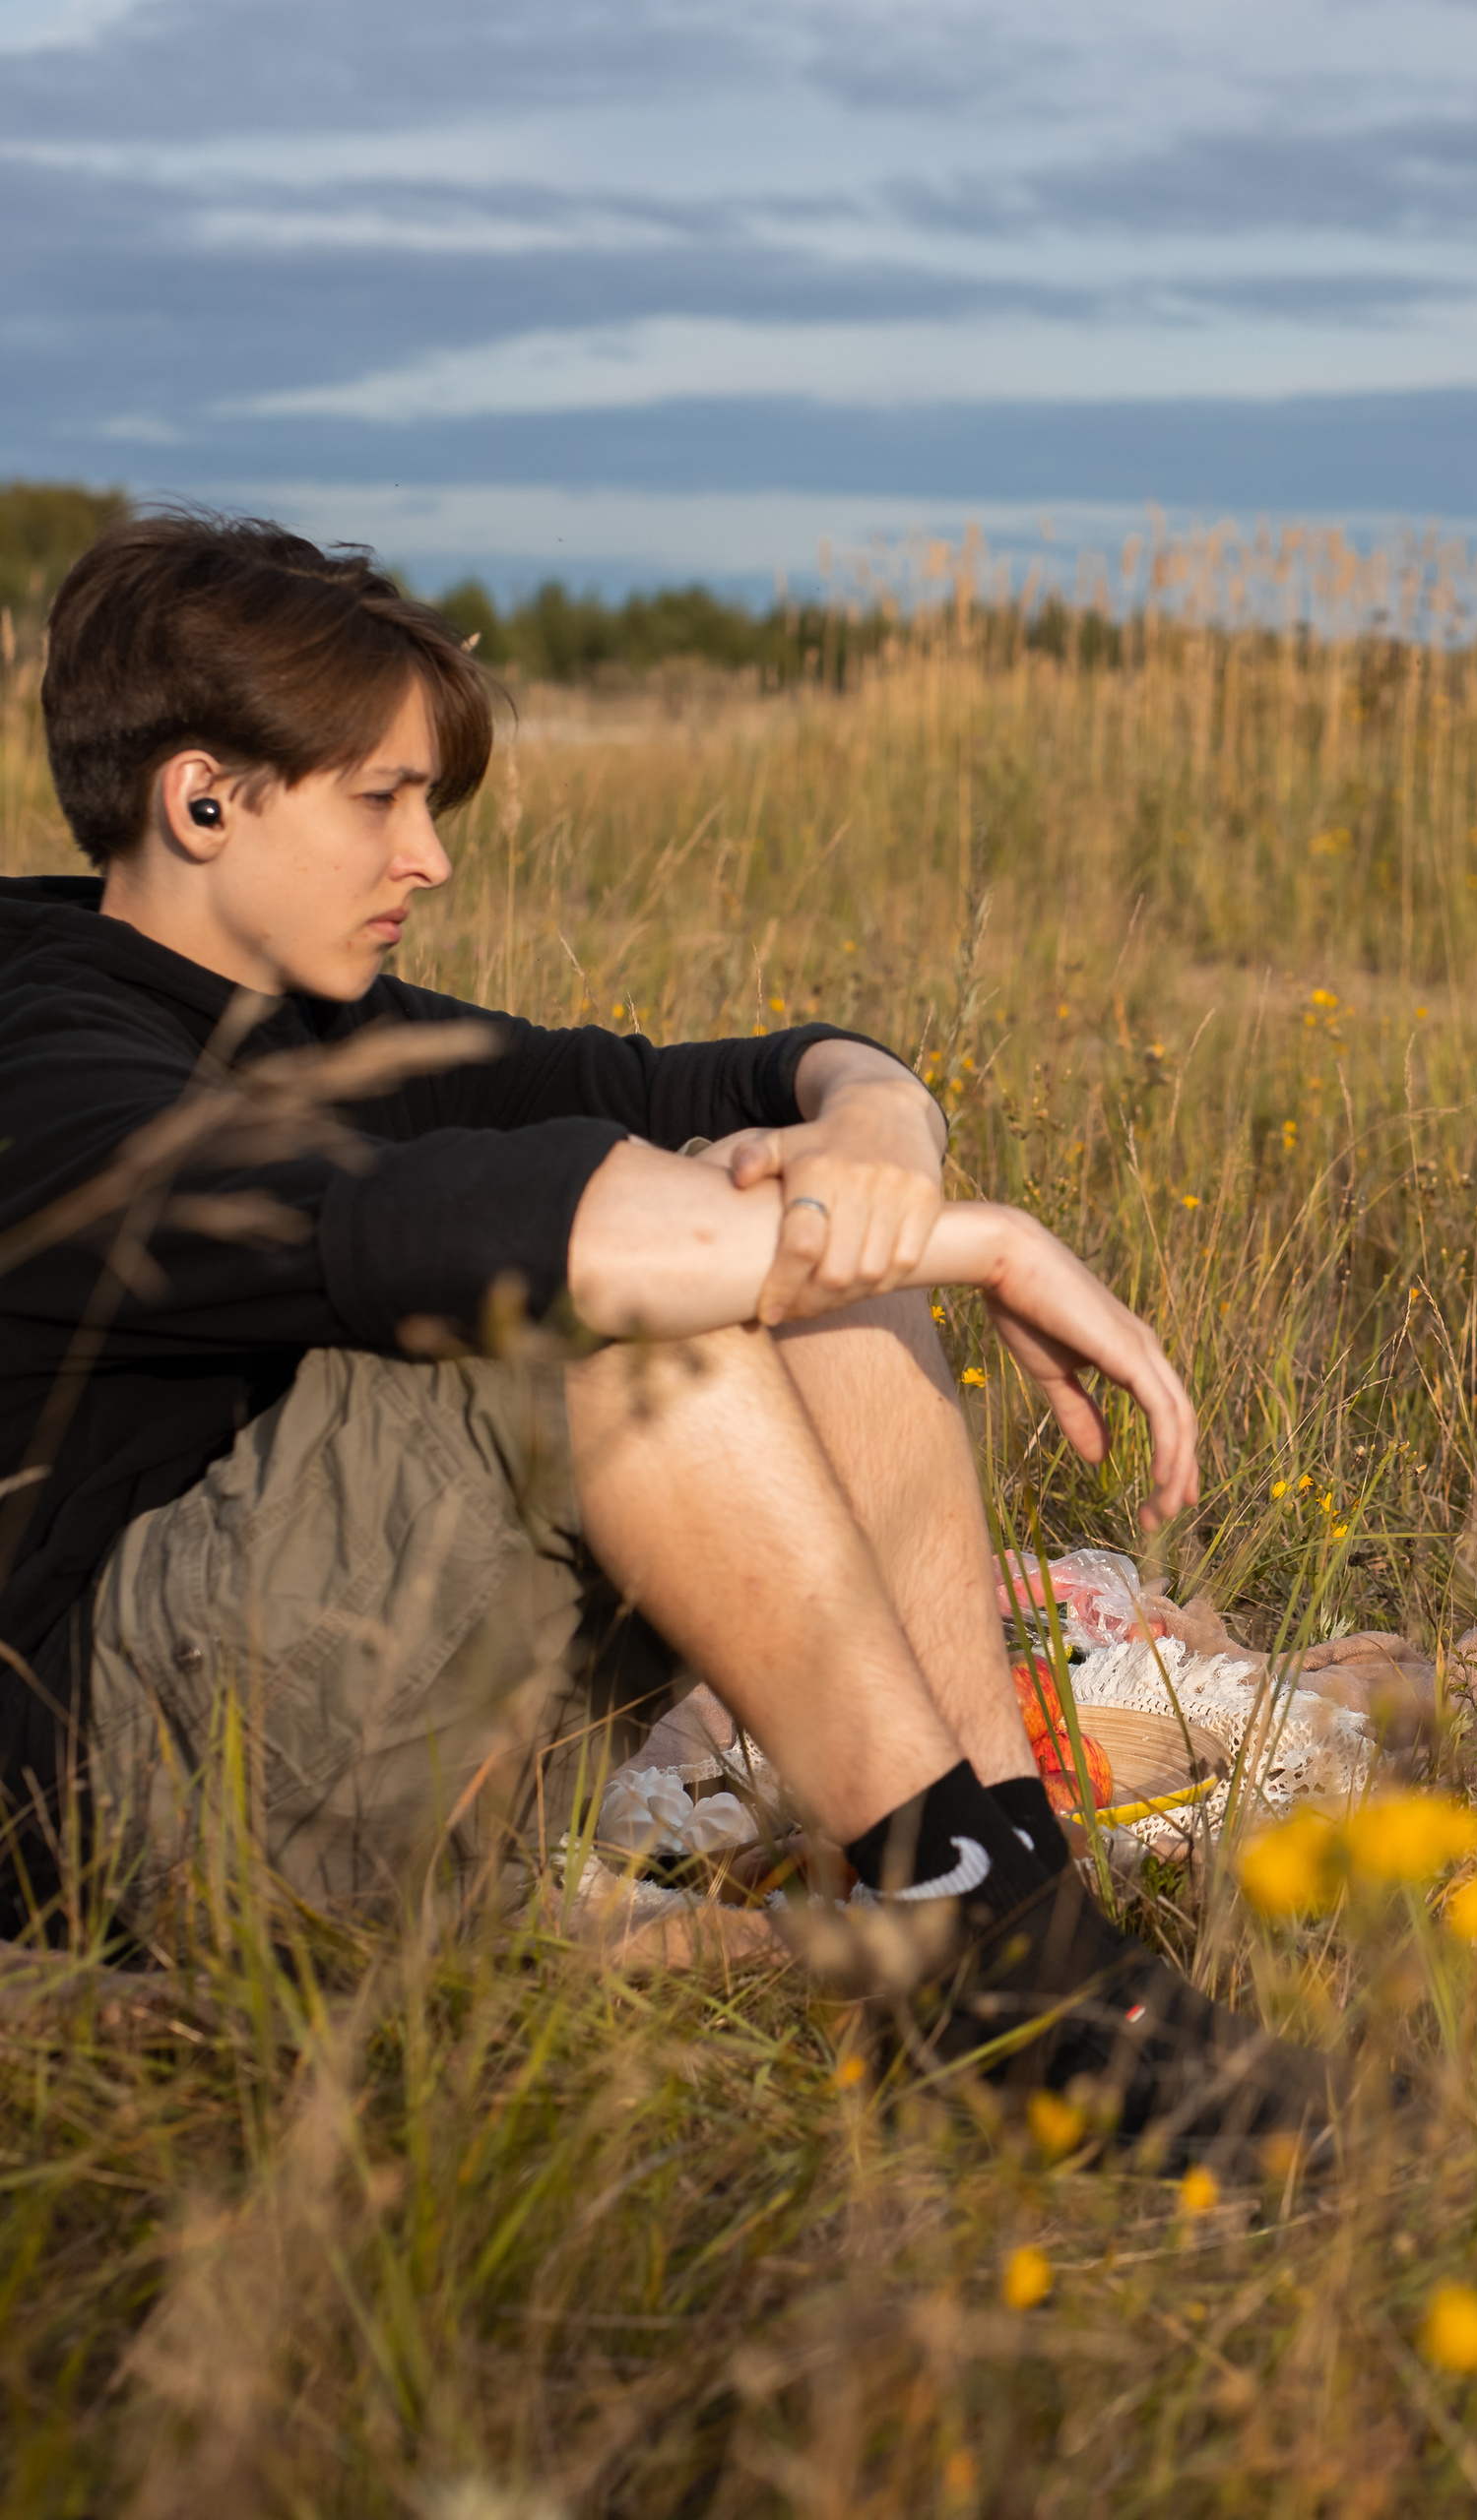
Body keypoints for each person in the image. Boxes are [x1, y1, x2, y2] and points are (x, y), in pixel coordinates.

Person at [0, 508, 1336, 2160]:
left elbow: (759, 1072)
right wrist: (981, 1241)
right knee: (634, 1304)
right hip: (130, 1795)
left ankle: (1015, 1922)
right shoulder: (39, 1044)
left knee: (803, 1256)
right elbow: (464, 1233)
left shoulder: (336, 1026)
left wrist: (886, 1139)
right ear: (201, 798)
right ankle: (997, 1958)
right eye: (382, 801)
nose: (427, 857)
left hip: (347, 1722)